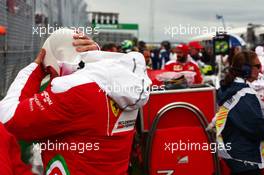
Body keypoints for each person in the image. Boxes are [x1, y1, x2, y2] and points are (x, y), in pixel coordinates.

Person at [0, 28, 151, 175]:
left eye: (51, 71)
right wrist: (91, 58)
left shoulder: (74, 91)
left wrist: (36, 69)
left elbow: (8, 118)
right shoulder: (121, 81)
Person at [215, 51, 264, 175]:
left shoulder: (228, 87)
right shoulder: (245, 94)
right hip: (246, 159)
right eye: (257, 66)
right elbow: (256, 128)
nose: (260, 69)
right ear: (246, 69)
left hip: (234, 155)